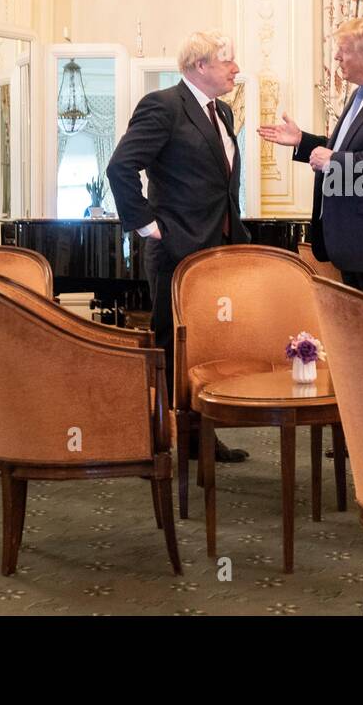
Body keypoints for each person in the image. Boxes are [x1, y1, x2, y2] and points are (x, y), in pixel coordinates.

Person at [106, 30, 250, 463]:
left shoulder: (222, 111)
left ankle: (201, 435)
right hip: (177, 249)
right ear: (201, 66)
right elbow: (121, 167)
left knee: (209, 343)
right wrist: (149, 226)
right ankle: (164, 435)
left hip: (219, 248)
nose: (235, 69)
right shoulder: (163, 106)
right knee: (174, 344)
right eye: (228, 62)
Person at [259, 17, 363, 313]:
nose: (337, 57)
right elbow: (348, 149)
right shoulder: (361, 94)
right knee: (357, 347)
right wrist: (304, 142)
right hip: (357, 247)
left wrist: (334, 160)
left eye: (343, 50)